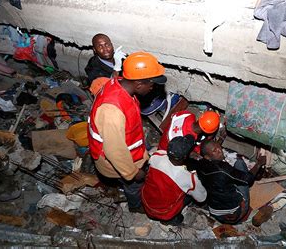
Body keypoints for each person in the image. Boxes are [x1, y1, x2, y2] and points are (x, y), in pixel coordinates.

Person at [87, 51, 167, 212]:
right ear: (138, 84)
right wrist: (133, 173)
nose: (153, 87)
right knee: (133, 188)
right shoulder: (112, 110)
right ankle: (136, 207)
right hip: (117, 164)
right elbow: (114, 151)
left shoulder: (119, 85)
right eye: (151, 84)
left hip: (130, 154)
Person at [141, 135, 207, 226]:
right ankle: (168, 220)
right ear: (185, 157)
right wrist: (196, 176)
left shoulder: (157, 155)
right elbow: (202, 198)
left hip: (146, 202)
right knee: (191, 193)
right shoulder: (188, 178)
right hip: (164, 212)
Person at [196, 140, 266, 224]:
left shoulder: (200, 164)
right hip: (234, 214)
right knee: (240, 164)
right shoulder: (222, 169)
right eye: (215, 151)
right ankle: (242, 216)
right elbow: (248, 179)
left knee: (228, 180)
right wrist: (259, 163)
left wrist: (221, 138)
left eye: (219, 147)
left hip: (215, 211)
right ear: (207, 157)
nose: (220, 151)